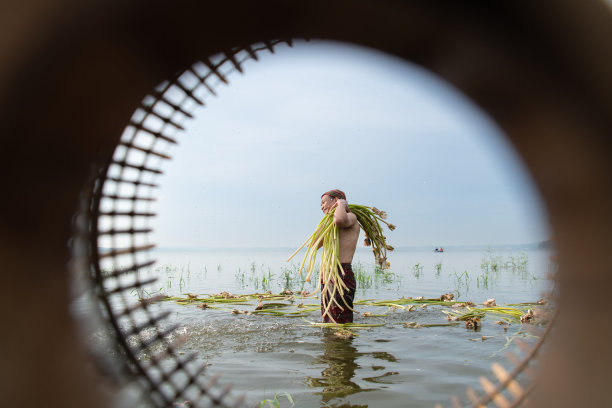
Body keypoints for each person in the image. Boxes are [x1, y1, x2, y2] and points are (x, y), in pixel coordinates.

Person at [319, 189, 360, 323]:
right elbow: (314, 243)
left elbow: (340, 220)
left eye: (324, 202)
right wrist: (325, 222)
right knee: (329, 318)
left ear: (335, 200)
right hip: (328, 275)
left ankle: (343, 343)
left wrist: (342, 205)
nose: (322, 206)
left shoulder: (351, 217)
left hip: (341, 274)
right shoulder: (330, 223)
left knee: (340, 320)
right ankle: (331, 343)